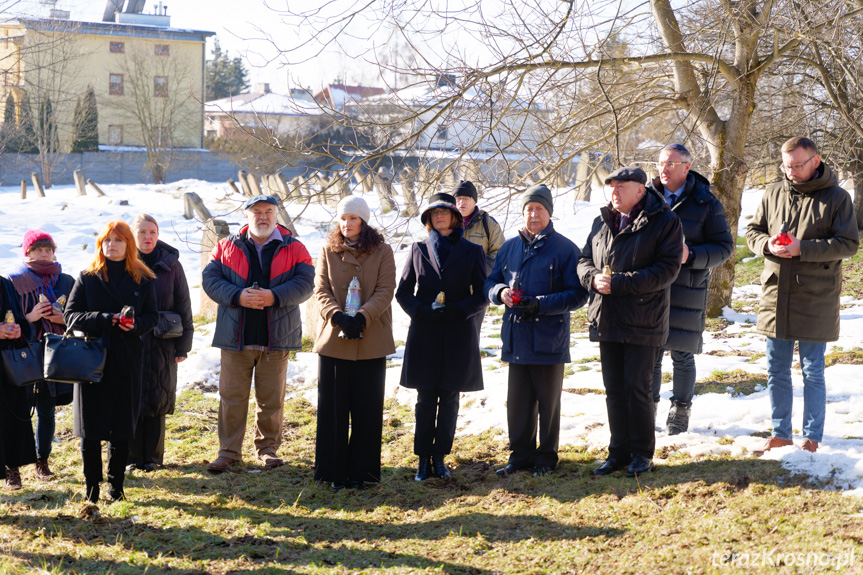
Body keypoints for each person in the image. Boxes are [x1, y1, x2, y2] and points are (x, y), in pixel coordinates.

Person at [746, 137, 859, 455]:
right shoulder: (773, 192)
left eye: (797, 164)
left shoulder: (837, 198)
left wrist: (802, 249)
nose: (791, 170)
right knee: (775, 369)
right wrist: (768, 244)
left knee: (812, 370)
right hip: (775, 294)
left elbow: (848, 244)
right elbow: (753, 231)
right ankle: (780, 434)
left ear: (815, 160)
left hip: (816, 296)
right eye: (786, 165)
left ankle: (811, 439)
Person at [578, 167, 682, 478]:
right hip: (607, 317)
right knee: (614, 390)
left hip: (643, 320)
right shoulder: (602, 222)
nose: (615, 192)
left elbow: (667, 270)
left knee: (637, 388)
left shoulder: (665, 221)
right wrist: (593, 278)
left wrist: (621, 283)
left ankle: (641, 454)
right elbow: (583, 260)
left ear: (640, 190)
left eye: (621, 186)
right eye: (611, 186)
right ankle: (618, 452)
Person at [202, 194, 314, 473]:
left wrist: (274, 296)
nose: (262, 216)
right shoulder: (225, 246)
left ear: (277, 215)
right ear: (246, 216)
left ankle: (268, 450)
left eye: (268, 211)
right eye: (256, 212)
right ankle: (228, 452)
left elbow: (306, 283)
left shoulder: (296, 247)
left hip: (276, 337)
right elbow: (210, 280)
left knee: (271, 399)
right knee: (231, 397)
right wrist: (238, 295)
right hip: (235, 337)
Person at [485, 184, 588, 478]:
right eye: (529, 209)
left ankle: (546, 457)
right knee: (518, 402)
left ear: (549, 213)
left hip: (548, 339)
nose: (533, 215)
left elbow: (578, 295)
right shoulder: (509, 247)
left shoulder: (566, 249)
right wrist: (500, 292)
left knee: (548, 402)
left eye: (539, 209)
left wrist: (539, 305)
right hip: (516, 337)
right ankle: (519, 457)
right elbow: (489, 281)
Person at [396, 192, 488, 481]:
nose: (439, 217)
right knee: (425, 399)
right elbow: (402, 293)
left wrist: (460, 311)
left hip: (458, 333)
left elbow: (482, 294)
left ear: (455, 218)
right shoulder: (418, 249)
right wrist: (421, 312)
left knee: (449, 398)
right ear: (428, 219)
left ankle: (440, 458)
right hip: (425, 333)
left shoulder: (472, 251)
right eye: (433, 213)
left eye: (444, 213)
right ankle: (423, 458)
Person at [65, 221, 158, 503]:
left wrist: (135, 325)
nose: (112, 245)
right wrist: (105, 319)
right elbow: (70, 316)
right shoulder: (88, 277)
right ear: (101, 245)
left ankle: (116, 487)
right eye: (107, 240)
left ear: (128, 244)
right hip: (91, 358)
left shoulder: (143, 278)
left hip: (127, 359)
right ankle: (91, 488)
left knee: (121, 425)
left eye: (118, 240)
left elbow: (153, 317)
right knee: (90, 427)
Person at [647, 144, 733, 434]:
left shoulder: (706, 202)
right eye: (661, 163)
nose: (664, 168)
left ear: (686, 166)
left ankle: (681, 410)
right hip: (650, 287)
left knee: (682, 353)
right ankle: (648, 410)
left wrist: (691, 255)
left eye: (671, 163)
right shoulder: (646, 198)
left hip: (688, 287)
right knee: (651, 353)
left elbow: (724, 247)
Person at [313, 196, 396, 490]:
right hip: (335, 338)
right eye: (343, 218)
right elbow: (320, 288)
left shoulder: (383, 251)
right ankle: (333, 471)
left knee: (367, 406)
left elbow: (387, 288)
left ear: (363, 221)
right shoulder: (327, 249)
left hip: (371, 336)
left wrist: (363, 316)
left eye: (353, 219)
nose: (347, 224)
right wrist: (337, 316)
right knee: (333, 408)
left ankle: (363, 471)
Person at [7, 230, 75, 485]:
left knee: (47, 412)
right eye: (37, 249)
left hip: (54, 354)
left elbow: (80, 314)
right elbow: (6, 319)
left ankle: (41, 461)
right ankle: (12, 468)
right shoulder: (12, 281)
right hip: (22, 354)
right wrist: (32, 317)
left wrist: (63, 317)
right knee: (17, 413)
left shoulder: (66, 280)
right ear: (27, 252)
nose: (44, 253)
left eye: (48, 249)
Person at [127, 215, 194, 472]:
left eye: (152, 232)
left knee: (157, 397)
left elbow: (184, 304)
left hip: (163, 342)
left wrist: (183, 345)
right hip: (130, 340)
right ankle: (132, 458)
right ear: (133, 235)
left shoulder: (171, 264)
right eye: (142, 231)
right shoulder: (123, 260)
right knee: (131, 398)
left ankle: (153, 459)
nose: (148, 237)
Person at [453, 180, 506, 337]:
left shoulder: (488, 224)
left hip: (477, 294)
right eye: (458, 198)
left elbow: (500, 255)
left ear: (474, 201)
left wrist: (476, 268)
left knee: (471, 339)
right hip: (448, 293)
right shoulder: (446, 223)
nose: (461, 202)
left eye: (466, 198)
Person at [0, 274, 36, 491]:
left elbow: (20, 318)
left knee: (11, 416)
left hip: (8, 363)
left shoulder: (4, 283)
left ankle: (12, 469)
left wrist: (19, 331)